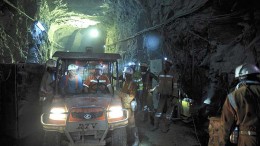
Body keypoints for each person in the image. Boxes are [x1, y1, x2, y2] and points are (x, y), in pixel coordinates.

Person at [220, 63, 260, 146]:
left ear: (241, 77)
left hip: (247, 139)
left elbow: (225, 124)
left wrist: (223, 142)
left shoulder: (234, 95)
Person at [150, 59, 175, 133]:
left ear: (170, 66)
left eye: (167, 64)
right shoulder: (161, 73)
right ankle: (155, 126)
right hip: (162, 95)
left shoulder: (173, 74)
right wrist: (157, 92)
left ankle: (166, 127)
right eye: (165, 64)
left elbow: (176, 86)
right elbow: (159, 84)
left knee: (168, 113)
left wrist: (175, 97)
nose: (166, 65)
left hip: (170, 96)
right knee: (158, 111)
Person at [119, 66, 140, 146]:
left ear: (128, 75)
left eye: (125, 73)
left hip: (128, 107)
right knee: (124, 124)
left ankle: (136, 140)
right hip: (123, 107)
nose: (123, 74)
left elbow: (131, 97)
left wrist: (119, 94)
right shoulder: (125, 82)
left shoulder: (132, 84)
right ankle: (128, 139)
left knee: (132, 124)